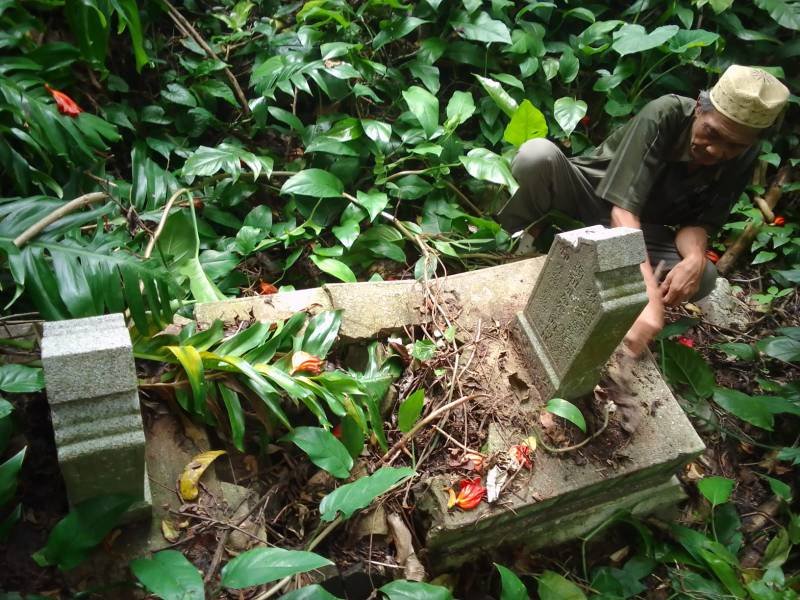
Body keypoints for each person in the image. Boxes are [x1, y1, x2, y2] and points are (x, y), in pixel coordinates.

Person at [497, 65, 790, 356]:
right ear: (700, 108)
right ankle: (509, 248)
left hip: (646, 231)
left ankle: (618, 308)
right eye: (711, 133)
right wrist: (649, 297)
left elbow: (699, 224)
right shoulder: (667, 114)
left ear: (750, 143)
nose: (716, 151)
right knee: (538, 156)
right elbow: (623, 213)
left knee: (704, 275)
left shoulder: (745, 156)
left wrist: (695, 257)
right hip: (588, 196)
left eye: (733, 146)